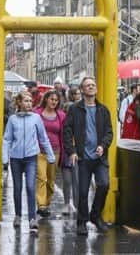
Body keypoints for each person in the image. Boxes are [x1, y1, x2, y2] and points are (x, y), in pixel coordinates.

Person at [63, 76, 113, 235]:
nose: (91, 87)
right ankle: (82, 222)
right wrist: (71, 151)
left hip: (99, 158)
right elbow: (67, 130)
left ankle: (95, 215)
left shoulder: (103, 110)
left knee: (104, 184)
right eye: (87, 85)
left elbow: (109, 132)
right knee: (83, 192)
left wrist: (103, 146)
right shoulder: (75, 109)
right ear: (82, 90)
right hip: (83, 157)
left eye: (93, 85)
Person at [2, 91, 55, 232]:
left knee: (31, 187)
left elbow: (43, 138)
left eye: (30, 101)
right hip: (16, 158)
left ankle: (32, 218)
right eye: (26, 101)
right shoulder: (12, 119)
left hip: (32, 157)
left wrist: (50, 155)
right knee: (17, 188)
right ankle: (18, 215)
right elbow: (7, 139)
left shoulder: (36, 118)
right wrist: (4, 158)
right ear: (19, 103)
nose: (29, 103)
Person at [33, 90, 66, 218]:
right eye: (51, 99)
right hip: (39, 151)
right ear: (46, 99)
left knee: (51, 180)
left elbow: (62, 135)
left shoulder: (61, 116)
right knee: (41, 177)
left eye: (56, 100)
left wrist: (63, 153)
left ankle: (46, 203)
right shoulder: (36, 114)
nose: (54, 102)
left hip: (55, 151)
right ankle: (41, 205)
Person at [61, 87, 81, 216]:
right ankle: (68, 203)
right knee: (69, 179)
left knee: (76, 179)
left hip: (76, 151)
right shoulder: (64, 119)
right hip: (66, 151)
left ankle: (75, 204)